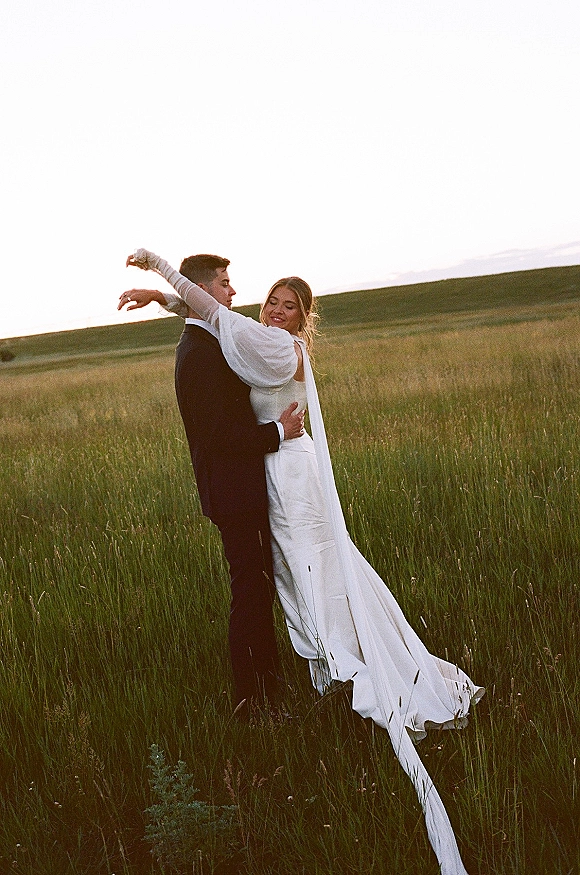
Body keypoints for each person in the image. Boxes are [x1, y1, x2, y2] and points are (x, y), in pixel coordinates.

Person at [121, 249, 484, 875]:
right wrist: (164, 298)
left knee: (302, 572)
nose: (267, 305)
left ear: (304, 318)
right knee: (272, 581)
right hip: (262, 472)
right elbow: (209, 317)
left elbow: (211, 312)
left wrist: (158, 270)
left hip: (288, 471)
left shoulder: (279, 349)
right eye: (269, 298)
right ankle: (285, 679)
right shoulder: (247, 337)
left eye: (288, 305)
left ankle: (332, 661)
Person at [119, 254, 305, 717]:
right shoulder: (199, 356)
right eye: (224, 283)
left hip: (240, 488)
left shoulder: (209, 338)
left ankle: (265, 689)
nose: (232, 293)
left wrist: (161, 296)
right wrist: (279, 432)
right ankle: (254, 699)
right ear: (204, 289)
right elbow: (219, 438)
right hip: (234, 493)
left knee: (256, 590)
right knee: (251, 594)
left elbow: (204, 312)